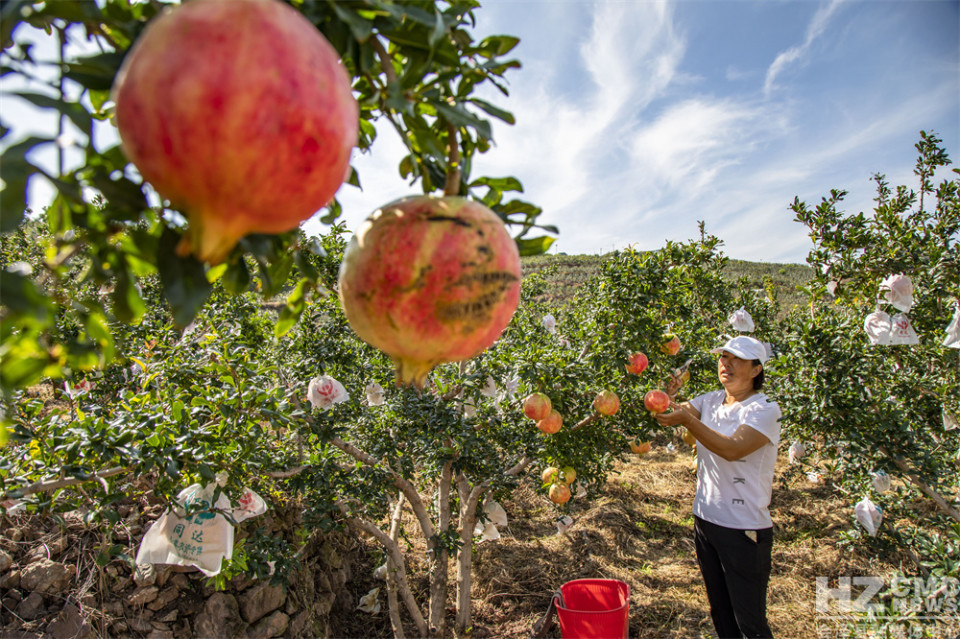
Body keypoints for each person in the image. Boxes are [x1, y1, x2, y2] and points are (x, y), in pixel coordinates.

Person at [655, 335, 781, 639]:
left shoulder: (764, 410)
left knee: (749, 622)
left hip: (743, 529)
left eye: (736, 358)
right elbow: (668, 416)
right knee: (722, 615)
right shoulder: (709, 400)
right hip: (706, 521)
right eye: (724, 357)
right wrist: (663, 398)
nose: (726, 363)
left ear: (755, 370)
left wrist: (687, 418)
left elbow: (732, 449)